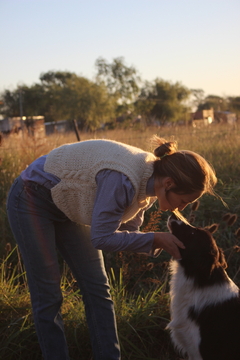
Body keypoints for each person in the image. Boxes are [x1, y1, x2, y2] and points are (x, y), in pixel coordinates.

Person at [6, 136, 217, 360]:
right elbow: (102, 238)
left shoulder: (150, 184)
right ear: (169, 184)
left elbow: (126, 233)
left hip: (68, 204)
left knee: (98, 289)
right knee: (48, 294)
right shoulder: (123, 179)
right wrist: (155, 239)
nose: (181, 208)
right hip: (32, 197)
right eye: (183, 200)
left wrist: (158, 241)